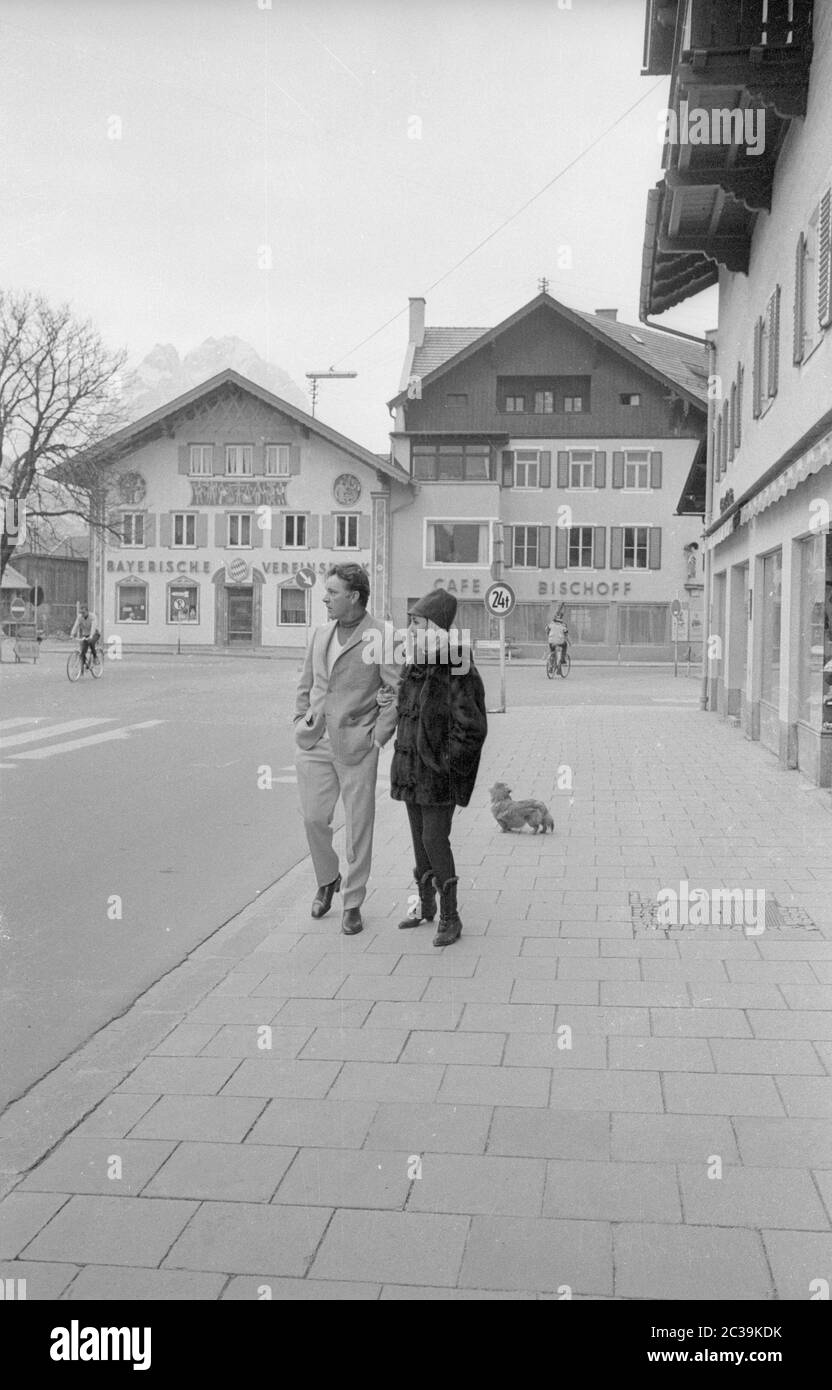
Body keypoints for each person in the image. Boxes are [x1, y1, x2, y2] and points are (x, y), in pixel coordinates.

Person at [293, 563, 400, 936]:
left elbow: (394, 691)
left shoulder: (381, 635)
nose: (325, 598)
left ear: (354, 597)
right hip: (315, 741)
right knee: (313, 818)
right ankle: (327, 879)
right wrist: (299, 719)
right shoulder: (321, 633)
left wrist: (378, 738)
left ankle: (352, 902)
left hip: (357, 745)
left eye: (333, 593)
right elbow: (306, 682)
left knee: (358, 828)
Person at [389, 589, 488, 947]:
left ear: (436, 627)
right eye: (411, 623)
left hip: (437, 774)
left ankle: (451, 916)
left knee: (434, 838)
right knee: (419, 841)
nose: (411, 630)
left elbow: (472, 725)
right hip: (411, 770)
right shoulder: (415, 661)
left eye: (417, 623)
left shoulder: (457, 663)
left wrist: (444, 761)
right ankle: (426, 906)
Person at [70, 604, 100, 669]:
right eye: (81, 613)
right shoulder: (80, 617)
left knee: (91, 642)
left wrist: (91, 635)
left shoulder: (93, 616)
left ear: (87, 611)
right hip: (86, 634)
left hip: (95, 633)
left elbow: (93, 627)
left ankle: (95, 657)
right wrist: (72, 634)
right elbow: (76, 625)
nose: (82, 614)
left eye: (83, 612)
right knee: (83, 650)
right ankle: (83, 666)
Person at [546, 607, 568, 675]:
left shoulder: (551, 624)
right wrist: (569, 642)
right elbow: (566, 634)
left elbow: (546, 630)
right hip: (560, 642)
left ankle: (551, 667)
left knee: (552, 652)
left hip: (551, 641)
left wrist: (549, 636)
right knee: (565, 645)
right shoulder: (563, 625)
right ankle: (563, 660)